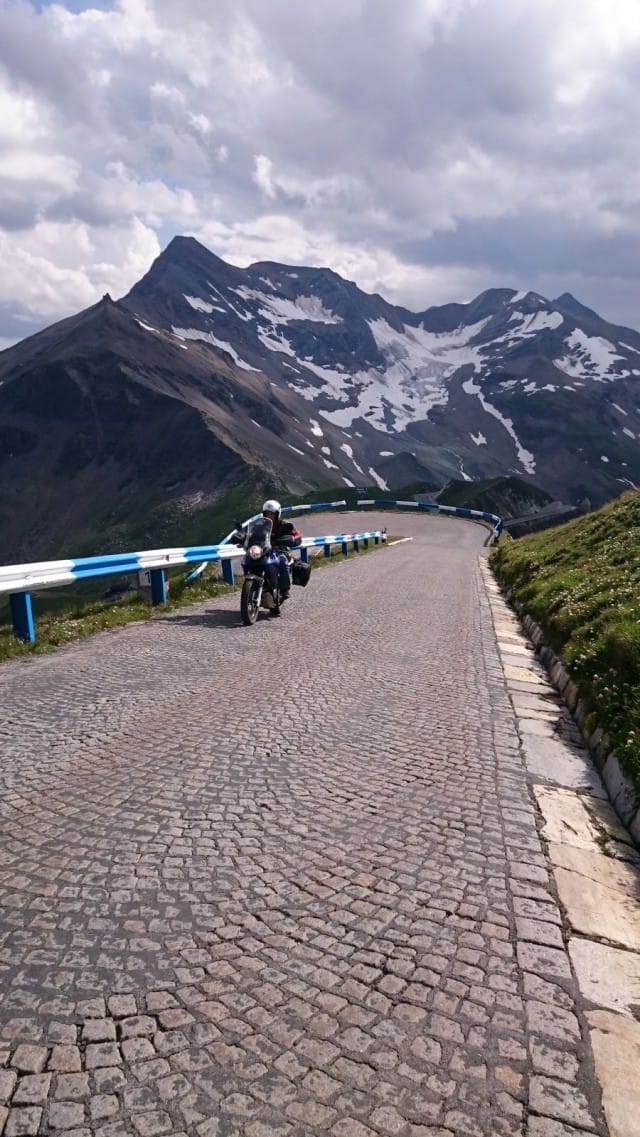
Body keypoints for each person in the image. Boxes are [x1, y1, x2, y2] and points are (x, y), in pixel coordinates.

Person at [261, 499, 301, 600]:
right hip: (264, 550)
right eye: (267, 513)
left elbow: (297, 535)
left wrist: (292, 539)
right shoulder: (261, 525)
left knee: (282, 561)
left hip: (280, 550)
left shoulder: (285, 525)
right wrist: (241, 537)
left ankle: (284, 589)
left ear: (277, 514)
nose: (269, 516)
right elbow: (250, 534)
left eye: (272, 514)